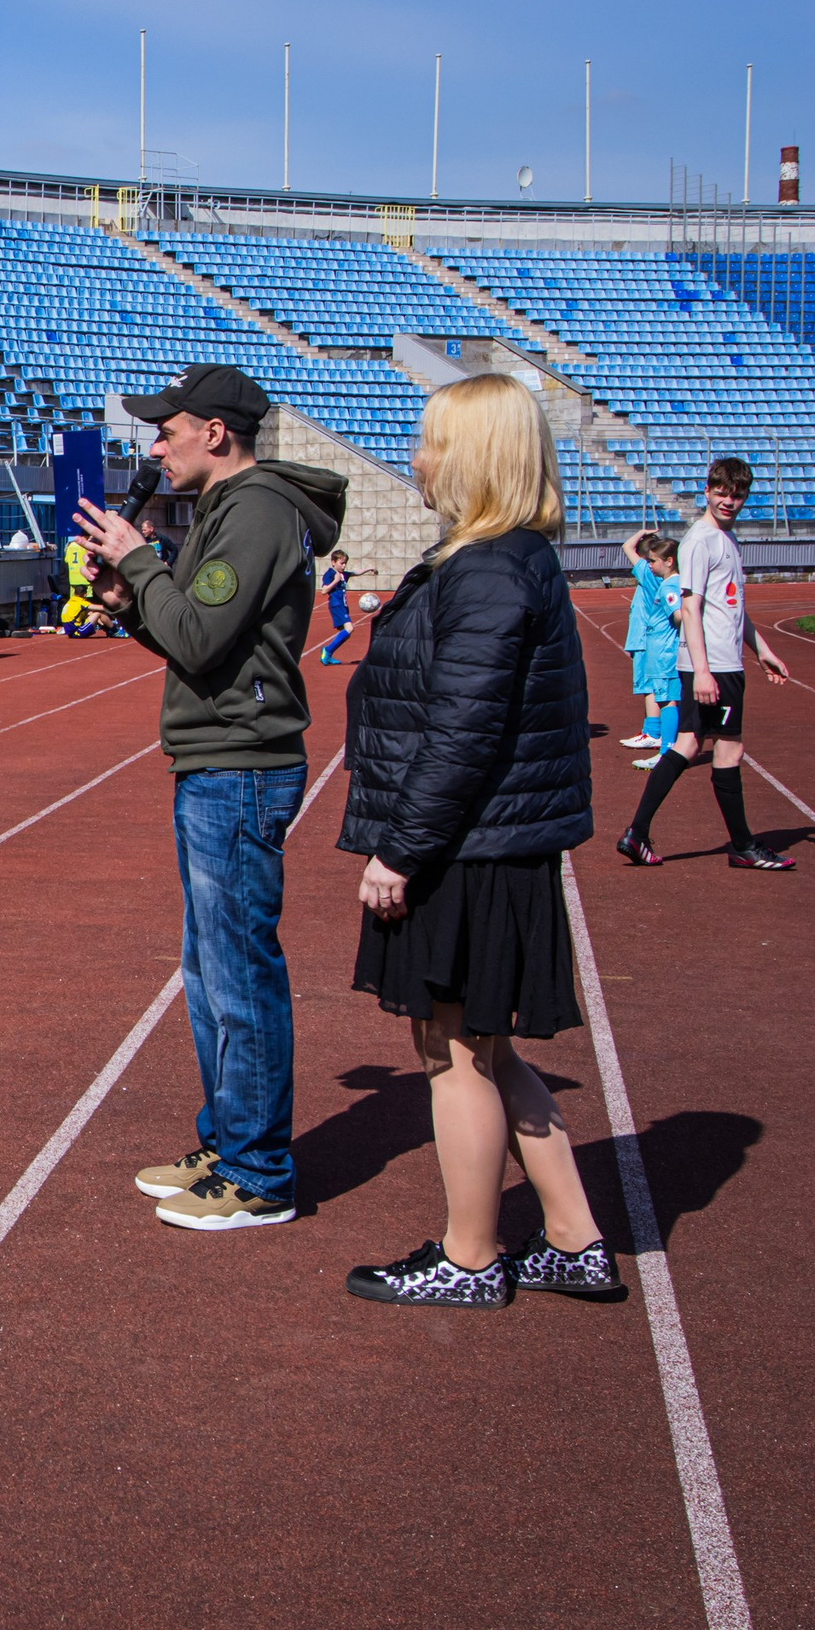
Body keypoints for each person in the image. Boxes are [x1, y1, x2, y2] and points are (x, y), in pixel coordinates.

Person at [338, 373, 616, 1308]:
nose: (417, 458)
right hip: (495, 840)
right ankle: (574, 1238)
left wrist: (401, 850)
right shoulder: (509, 558)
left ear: (475, 458)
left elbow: (463, 731)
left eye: (430, 443)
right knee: (489, 1050)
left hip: (468, 847)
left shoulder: (490, 568)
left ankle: (469, 1256)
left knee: (450, 1052)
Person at [72, 362, 346, 1232]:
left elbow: (200, 631)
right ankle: (230, 1141)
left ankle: (259, 1170)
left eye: (167, 429)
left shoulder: (256, 511)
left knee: (238, 972)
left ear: (214, 434)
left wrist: (142, 562)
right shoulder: (233, 511)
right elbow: (195, 640)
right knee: (208, 969)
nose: (156, 445)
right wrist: (129, 600)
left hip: (240, 764)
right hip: (218, 756)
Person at [617, 456, 795, 870]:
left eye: (737, 494)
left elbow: (732, 609)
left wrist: (761, 649)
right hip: (713, 663)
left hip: (722, 659)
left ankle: (636, 833)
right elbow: (692, 608)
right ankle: (744, 846)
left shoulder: (726, 539)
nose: (729, 501)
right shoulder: (700, 540)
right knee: (729, 748)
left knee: (688, 744)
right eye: (721, 492)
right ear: (707, 491)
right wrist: (701, 670)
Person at [622, 530, 683, 770]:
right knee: (663, 694)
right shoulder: (669, 580)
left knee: (665, 696)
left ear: (667, 561)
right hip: (658, 644)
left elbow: (679, 615)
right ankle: (661, 741)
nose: (648, 565)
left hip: (661, 647)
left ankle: (663, 745)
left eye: (651, 561)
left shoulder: (661, 581)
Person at [318, 548, 355, 664]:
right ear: (333, 562)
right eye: (341, 563)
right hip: (336, 604)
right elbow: (324, 591)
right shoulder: (330, 574)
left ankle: (328, 654)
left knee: (346, 634)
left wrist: (369, 569)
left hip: (343, 605)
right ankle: (327, 651)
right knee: (349, 628)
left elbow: (355, 573)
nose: (344, 566)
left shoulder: (342, 574)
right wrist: (335, 581)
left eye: (345, 563)